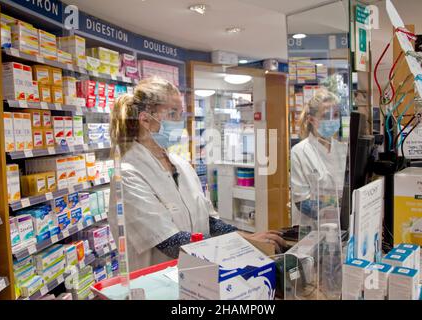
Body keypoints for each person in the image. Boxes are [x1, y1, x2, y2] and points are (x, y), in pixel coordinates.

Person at [109, 76, 286, 271]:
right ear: (145, 120)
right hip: (158, 283)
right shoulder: (128, 174)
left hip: (197, 275)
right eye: (173, 113)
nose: (180, 122)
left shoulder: (181, 165)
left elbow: (209, 222)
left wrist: (246, 237)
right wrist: (242, 245)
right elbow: (171, 242)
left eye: (181, 113)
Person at [290, 88, 347, 228]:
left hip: (341, 227)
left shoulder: (343, 150)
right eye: (326, 115)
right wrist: (340, 207)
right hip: (311, 229)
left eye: (336, 115)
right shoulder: (300, 152)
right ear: (311, 120)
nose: (332, 120)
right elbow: (302, 202)